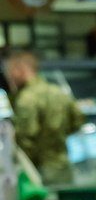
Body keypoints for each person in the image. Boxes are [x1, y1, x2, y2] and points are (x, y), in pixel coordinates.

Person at [2, 51, 80, 187]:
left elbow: (26, 138)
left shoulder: (26, 99)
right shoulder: (58, 91)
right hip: (64, 166)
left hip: (39, 171)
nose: (9, 76)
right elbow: (78, 121)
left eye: (10, 71)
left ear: (19, 70)